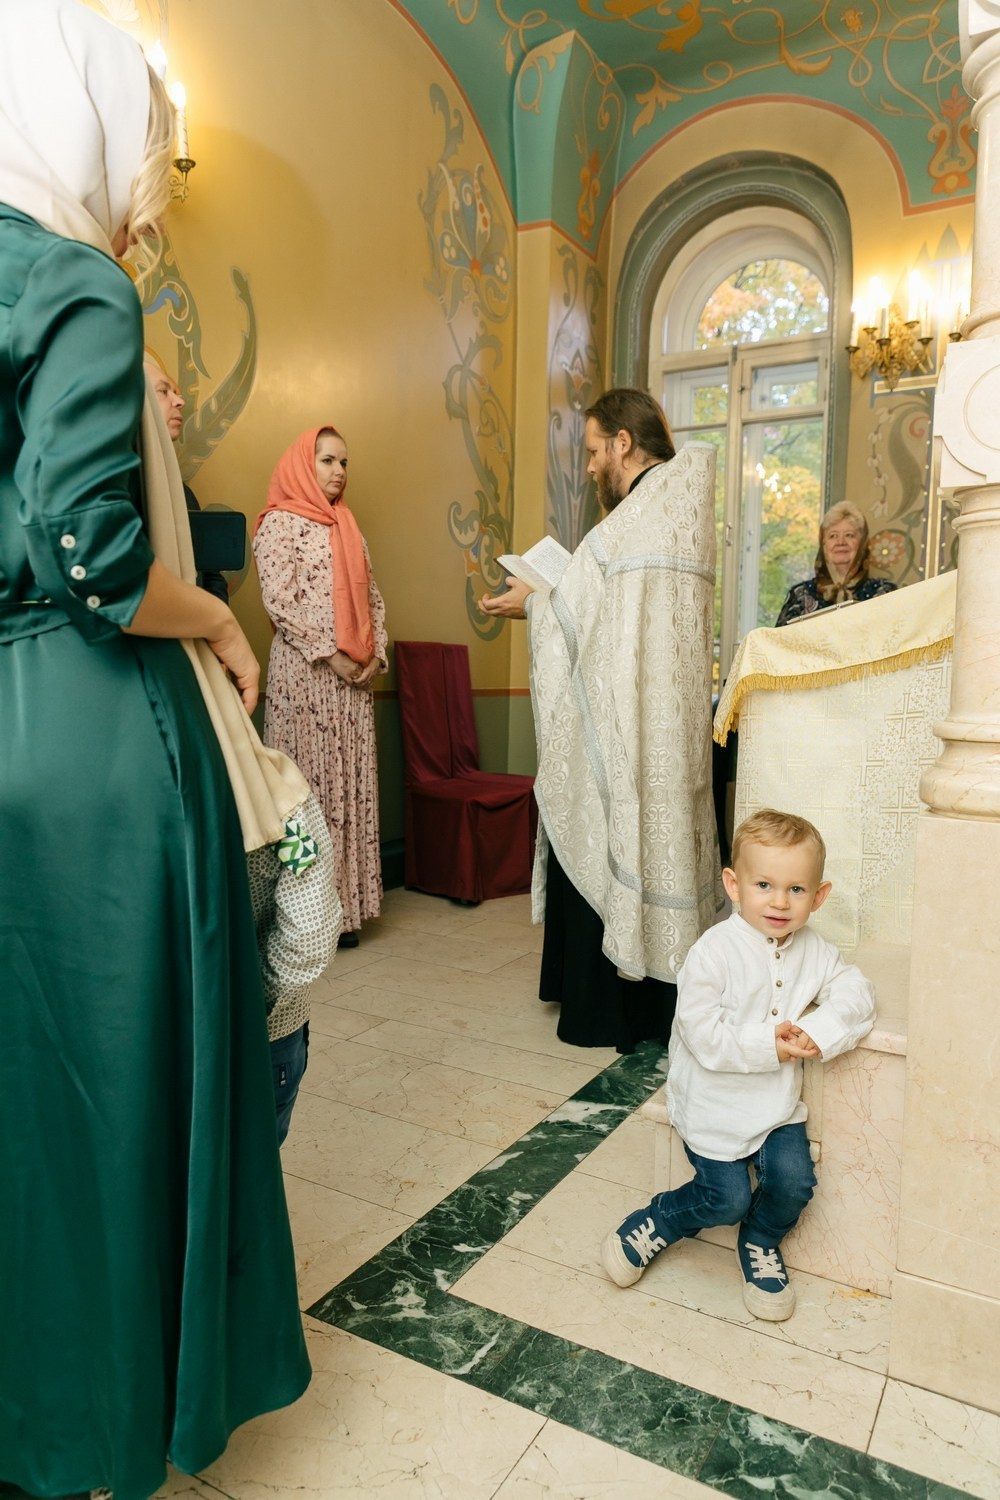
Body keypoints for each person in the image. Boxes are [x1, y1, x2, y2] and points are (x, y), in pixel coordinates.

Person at [0, 6, 310, 1497]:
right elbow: (99, 563)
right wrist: (221, 623)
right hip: (88, 742)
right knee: (112, 1093)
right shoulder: (74, 282)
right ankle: (106, 1416)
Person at [481, 388, 723, 1052]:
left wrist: (533, 602)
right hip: (667, 730)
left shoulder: (635, 518)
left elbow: (582, 617)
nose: (589, 468)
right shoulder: (675, 508)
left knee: (594, 814)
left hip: (628, 731)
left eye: (593, 452)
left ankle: (607, 1008)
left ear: (623, 442)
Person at [601, 809, 875, 1321]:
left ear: (819, 896)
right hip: (714, 1103)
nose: (779, 901)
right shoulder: (713, 952)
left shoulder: (814, 949)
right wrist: (769, 1045)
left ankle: (761, 1239)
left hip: (775, 1106)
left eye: (796, 889)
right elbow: (701, 1034)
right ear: (734, 885)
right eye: (764, 885)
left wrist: (820, 1029)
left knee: (794, 1184)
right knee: (725, 1199)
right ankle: (661, 1219)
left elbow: (856, 991)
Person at [254, 426, 387, 948]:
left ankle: (344, 911)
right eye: (327, 460)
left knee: (346, 791)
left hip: (352, 686)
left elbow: (372, 599)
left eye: (344, 462)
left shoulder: (348, 525)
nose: (338, 471)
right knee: (304, 794)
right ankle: (302, 916)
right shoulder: (278, 524)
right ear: (302, 465)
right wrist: (332, 655)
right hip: (304, 680)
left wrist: (375, 655)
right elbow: (278, 601)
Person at [248, 788, 343, 1144]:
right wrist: (260, 1002)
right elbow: (310, 934)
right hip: (266, 1029)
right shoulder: (280, 798)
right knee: (256, 1157)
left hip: (149, 1033)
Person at [144, 353, 231, 602]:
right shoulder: (117, 490)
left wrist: (214, 617)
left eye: (177, 392)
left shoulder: (184, 494)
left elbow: (209, 572)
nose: (180, 401)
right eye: (164, 391)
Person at [775, 500, 896, 626]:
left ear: (862, 544)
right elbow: (780, 638)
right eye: (833, 536)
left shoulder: (884, 593)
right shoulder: (800, 595)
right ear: (823, 544)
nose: (840, 542)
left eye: (849, 535)